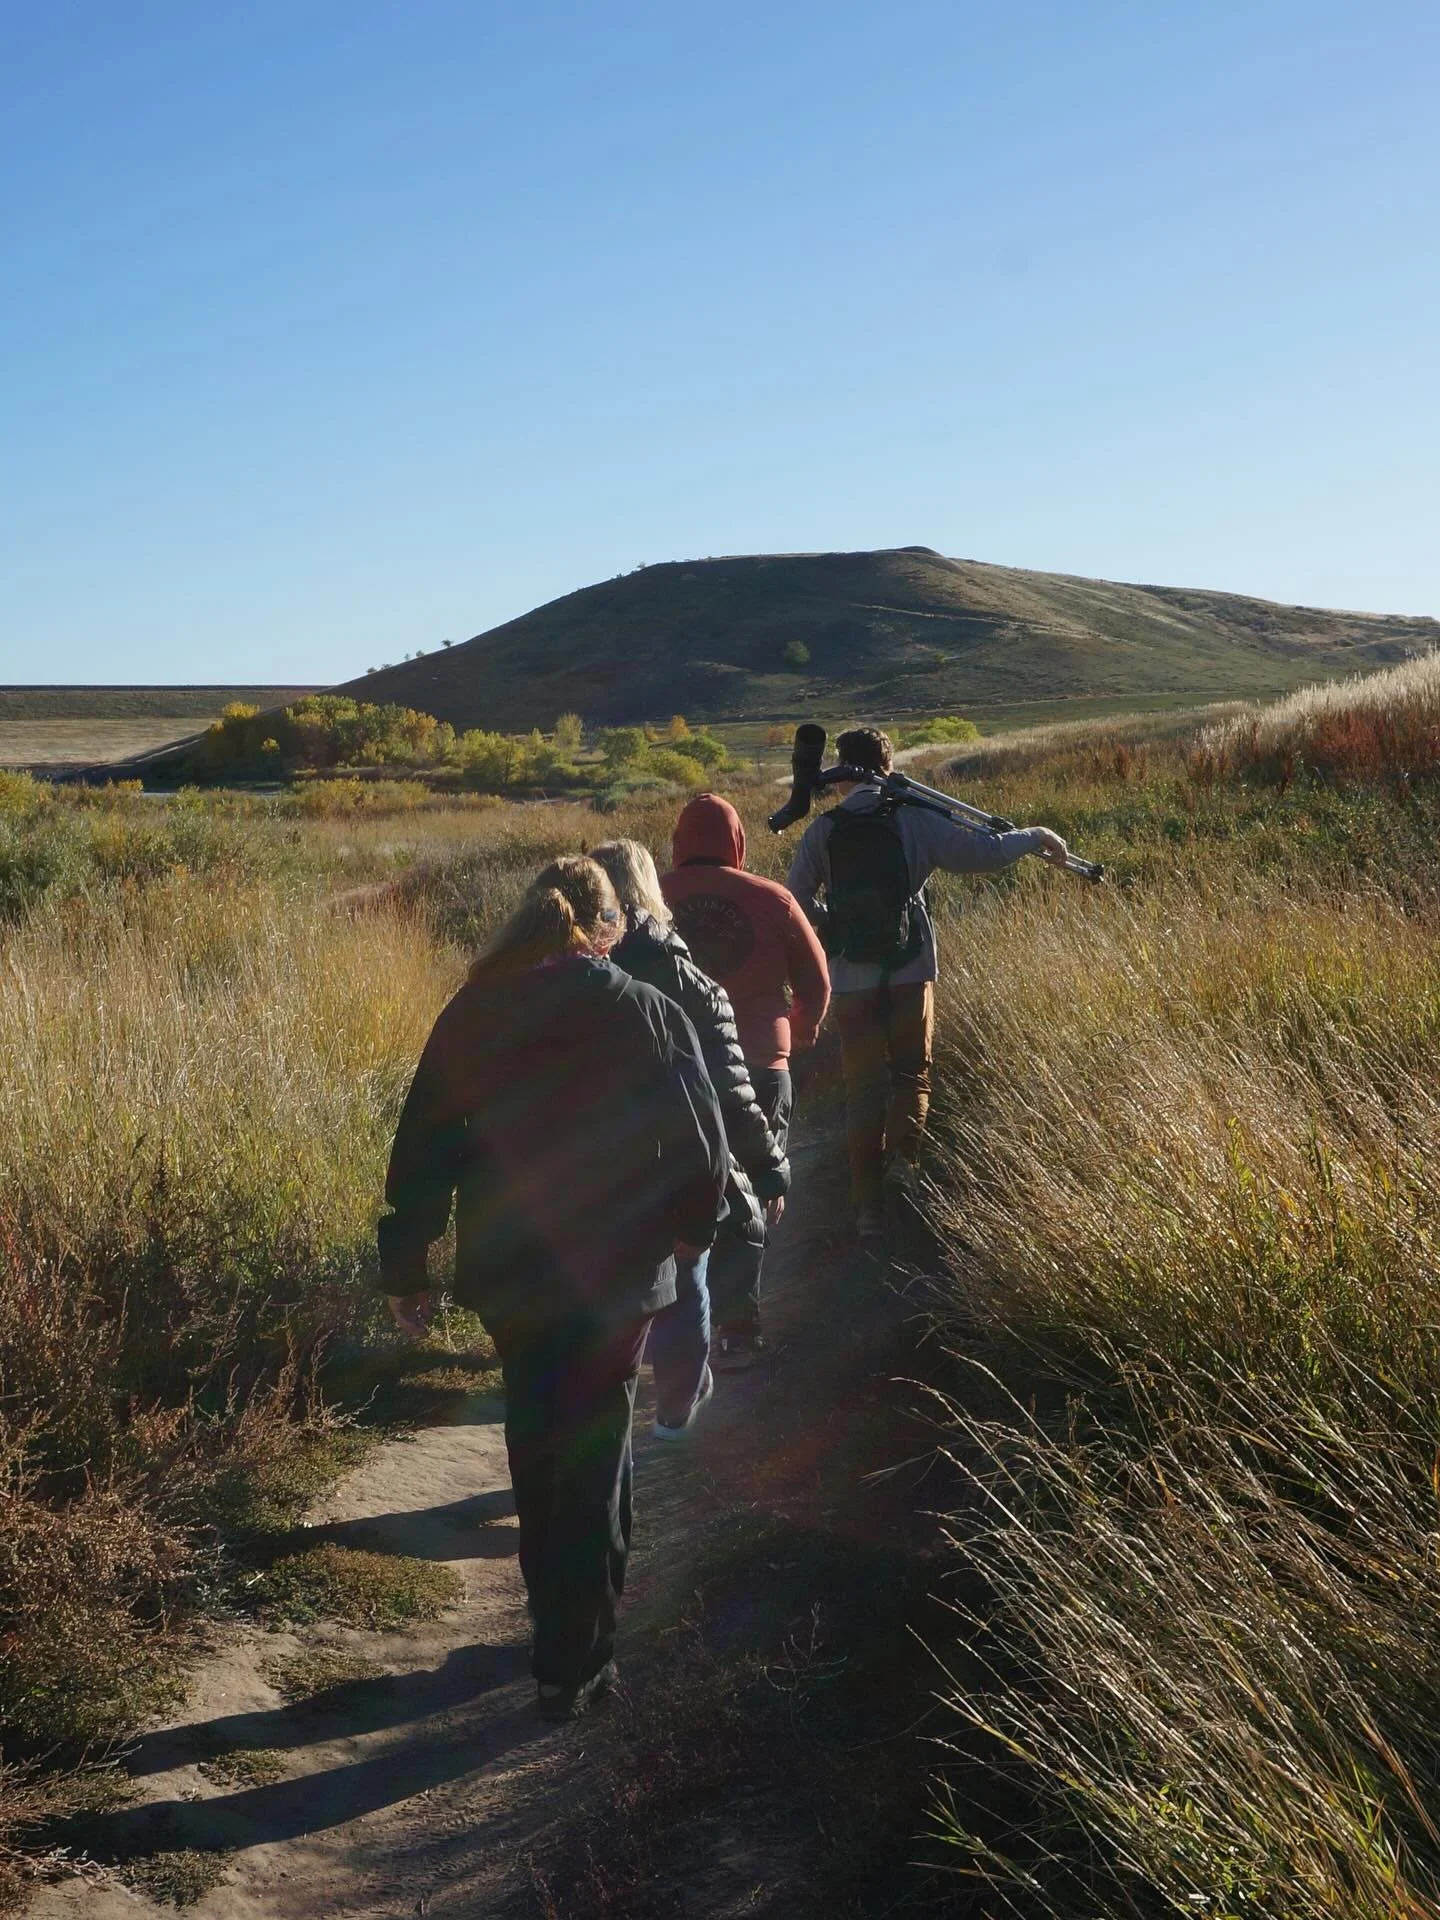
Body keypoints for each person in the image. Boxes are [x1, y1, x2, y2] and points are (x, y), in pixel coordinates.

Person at [379, 856, 728, 1721]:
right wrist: (696, 1229)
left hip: (513, 1274)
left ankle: (553, 1644)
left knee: (538, 1446)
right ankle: (581, 1656)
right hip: (618, 1277)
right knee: (599, 1447)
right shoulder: (643, 1008)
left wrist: (408, 1264)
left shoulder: (474, 1011)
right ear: (609, 928)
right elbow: (700, 1137)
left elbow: (424, 1143)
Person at [785, 726, 1070, 1240]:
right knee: (911, 1073)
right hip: (911, 969)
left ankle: (867, 1210)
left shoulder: (822, 832)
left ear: (841, 771)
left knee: (862, 1088)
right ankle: (904, 1164)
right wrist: (1033, 836)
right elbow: (980, 854)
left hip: (851, 977)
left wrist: (834, 924)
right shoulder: (913, 816)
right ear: (888, 766)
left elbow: (795, 902)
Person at [593, 840, 791, 1396]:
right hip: (677, 1157)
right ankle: (703, 1370)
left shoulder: (563, 975)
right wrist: (769, 1167)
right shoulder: (687, 980)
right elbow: (728, 1088)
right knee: (732, 1230)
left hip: (589, 1172)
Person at [661, 793, 830, 1365]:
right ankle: (738, 1330)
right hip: (760, 1065)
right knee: (755, 1193)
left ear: (679, 842)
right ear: (738, 842)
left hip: (668, 1073)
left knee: (670, 1186)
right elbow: (818, 985)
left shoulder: (648, 899)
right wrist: (797, 1037)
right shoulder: (773, 900)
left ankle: (670, 1324)